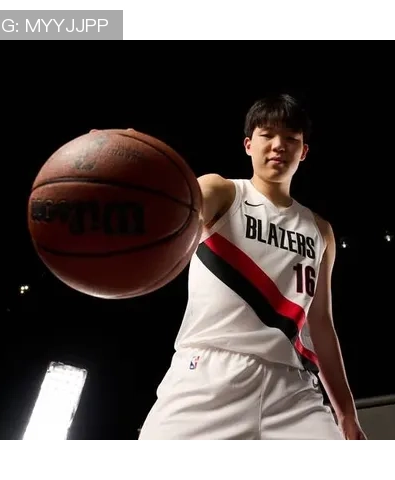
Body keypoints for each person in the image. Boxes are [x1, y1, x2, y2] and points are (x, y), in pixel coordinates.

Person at [139, 93, 366, 440]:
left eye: (291, 138)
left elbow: (320, 323)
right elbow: (173, 214)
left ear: (304, 151)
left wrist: (346, 412)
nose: (279, 145)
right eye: (267, 135)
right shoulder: (222, 192)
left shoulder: (320, 230)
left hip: (293, 388)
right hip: (209, 373)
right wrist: (137, 164)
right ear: (248, 144)